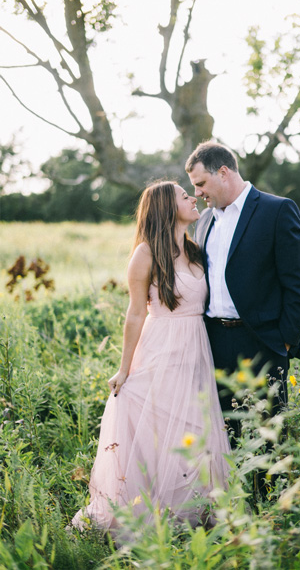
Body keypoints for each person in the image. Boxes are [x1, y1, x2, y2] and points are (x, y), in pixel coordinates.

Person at [72, 181, 230, 535]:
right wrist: (124, 368)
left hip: (195, 348)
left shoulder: (195, 249)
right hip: (161, 346)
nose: (193, 198)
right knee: (162, 428)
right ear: (165, 208)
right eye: (184, 196)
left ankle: (195, 511)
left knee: (194, 427)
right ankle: (153, 515)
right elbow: (134, 314)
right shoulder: (145, 254)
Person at [185, 141, 300, 446]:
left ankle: (270, 495)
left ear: (224, 172)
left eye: (201, 183)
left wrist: (284, 340)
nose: (198, 193)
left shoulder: (277, 209)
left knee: (269, 434)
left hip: (261, 342)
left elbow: (298, 282)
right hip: (213, 341)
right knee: (224, 433)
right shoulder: (203, 221)